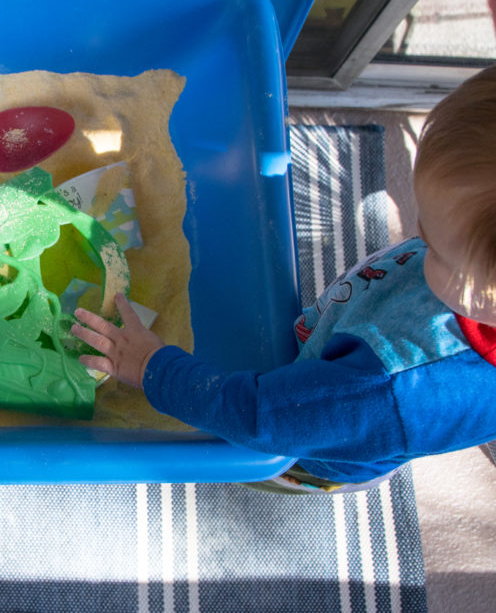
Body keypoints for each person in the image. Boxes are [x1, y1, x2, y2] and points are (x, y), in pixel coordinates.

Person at [72, 65, 496, 494]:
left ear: (484, 296)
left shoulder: (391, 389)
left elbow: (259, 417)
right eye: (421, 221)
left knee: (264, 461)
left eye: (436, 247)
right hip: (349, 345)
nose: (417, 234)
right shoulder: (472, 285)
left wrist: (151, 368)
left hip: (314, 450)